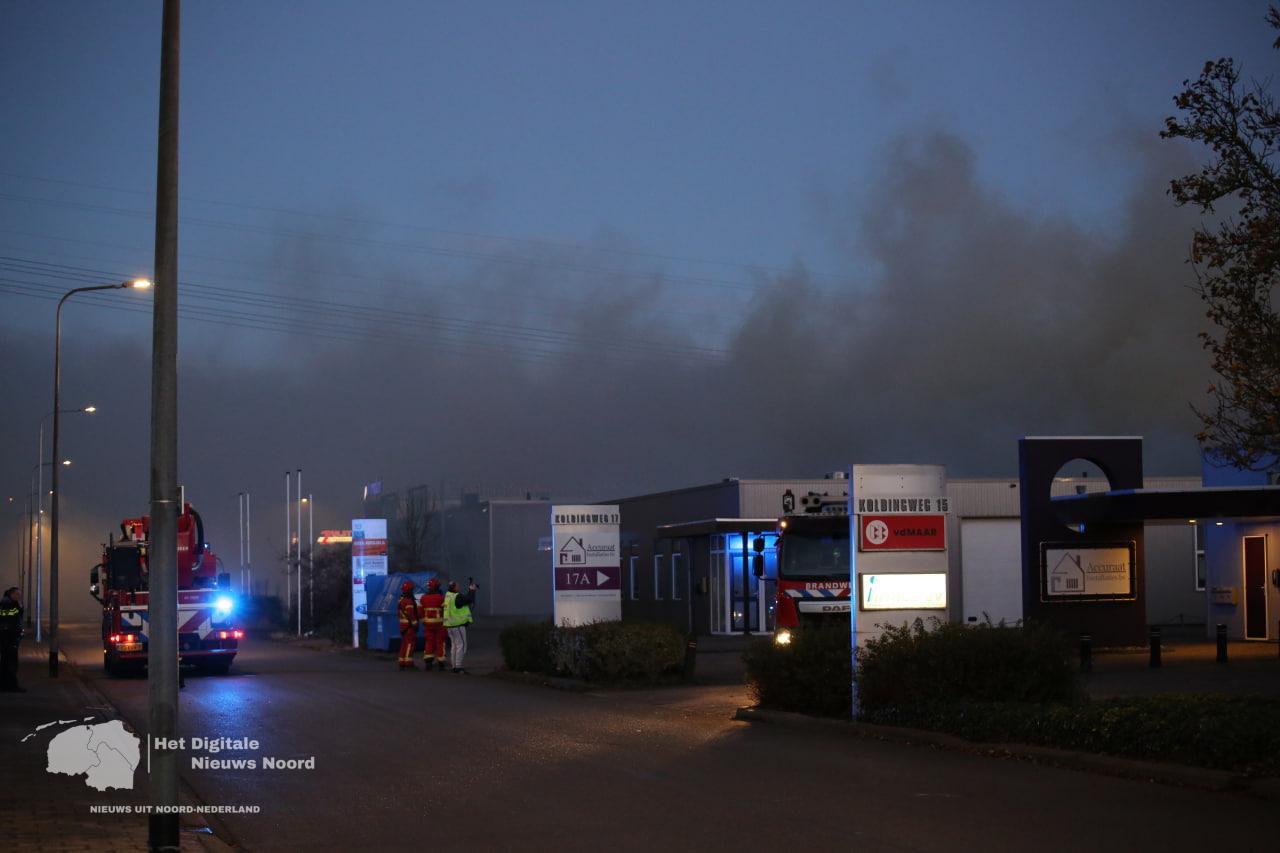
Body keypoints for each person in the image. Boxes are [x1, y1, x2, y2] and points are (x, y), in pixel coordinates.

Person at [442, 579, 478, 674]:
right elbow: (468, 599)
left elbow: (464, 599)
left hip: (450, 625)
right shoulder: (457, 596)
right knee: (461, 646)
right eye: (457, 586)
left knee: (454, 646)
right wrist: (472, 590)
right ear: (454, 587)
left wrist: (470, 591)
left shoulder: (448, 595)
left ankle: (454, 666)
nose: (459, 587)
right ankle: (458, 667)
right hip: (458, 626)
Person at [418, 578, 447, 671]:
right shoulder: (441, 598)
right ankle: (441, 663)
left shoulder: (423, 598)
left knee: (429, 642)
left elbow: (420, 611)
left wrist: (423, 620)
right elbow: (445, 611)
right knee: (440, 642)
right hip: (439, 624)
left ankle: (428, 663)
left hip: (428, 624)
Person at [1, 587, 25, 692]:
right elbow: (11, 618)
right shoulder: (8, 603)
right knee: (10, 663)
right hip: (9, 638)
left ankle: (6, 685)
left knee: (7, 662)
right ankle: (11, 686)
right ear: (12, 594)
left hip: (7, 637)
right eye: (17, 594)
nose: (19, 597)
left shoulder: (7, 602)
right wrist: (19, 607)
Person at [396, 581, 419, 670]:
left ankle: (402, 662)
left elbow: (399, 614)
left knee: (404, 644)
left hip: (403, 626)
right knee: (410, 644)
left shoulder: (401, 600)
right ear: (410, 590)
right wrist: (415, 624)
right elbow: (411, 615)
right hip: (409, 627)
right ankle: (408, 663)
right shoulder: (409, 601)